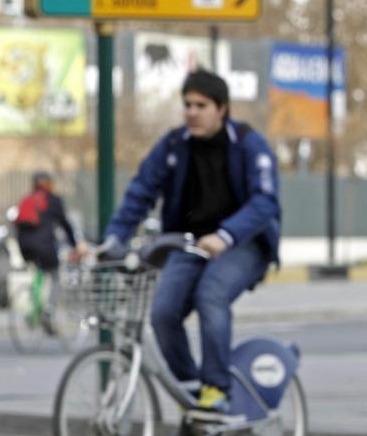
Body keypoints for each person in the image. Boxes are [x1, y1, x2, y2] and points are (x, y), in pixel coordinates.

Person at [103, 69, 280, 415]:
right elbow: (141, 192)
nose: (192, 112)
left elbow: (265, 202)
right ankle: (193, 392)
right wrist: (112, 239)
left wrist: (226, 234)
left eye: (201, 105)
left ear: (222, 109)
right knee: (163, 312)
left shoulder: (247, 144)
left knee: (210, 294)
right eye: (187, 105)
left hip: (243, 243)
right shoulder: (174, 145)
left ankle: (216, 388)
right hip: (190, 243)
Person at [14, 172, 88, 333]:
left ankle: (34, 308)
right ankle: (48, 310)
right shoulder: (53, 201)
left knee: (39, 272)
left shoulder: (27, 200)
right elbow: (65, 224)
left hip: (24, 247)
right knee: (55, 277)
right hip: (44, 247)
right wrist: (76, 245)